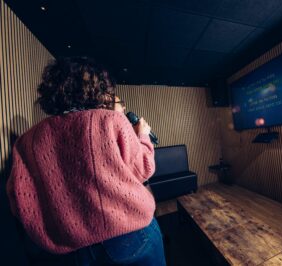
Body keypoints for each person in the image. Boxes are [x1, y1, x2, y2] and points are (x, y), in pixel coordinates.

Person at [6, 57, 166, 265]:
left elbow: (17, 198)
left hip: (66, 250)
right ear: (96, 87)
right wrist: (143, 136)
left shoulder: (25, 141)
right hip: (129, 237)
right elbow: (143, 168)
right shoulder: (110, 119)